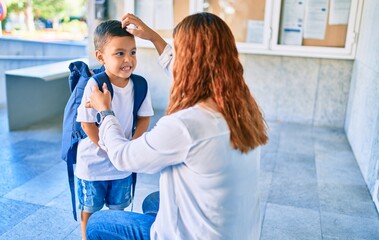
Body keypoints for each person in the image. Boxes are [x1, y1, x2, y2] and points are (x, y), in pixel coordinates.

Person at [85, 12, 268, 240]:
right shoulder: (242, 108)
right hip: (239, 232)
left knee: (99, 223)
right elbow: (182, 70)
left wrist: (105, 112)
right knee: (154, 201)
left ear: (188, 61)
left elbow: (123, 157)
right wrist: (153, 37)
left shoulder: (187, 125)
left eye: (178, 50)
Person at [75, 19, 154, 240]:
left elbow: (144, 118)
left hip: (122, 167)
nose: (128, 60)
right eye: (119, 53)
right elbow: (86, 123)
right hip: (93, 164)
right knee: (90, 208)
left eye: (133, 52)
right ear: (101, 57)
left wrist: (131, 146)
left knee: (119, 209)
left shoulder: (140, 84)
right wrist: (106, 146)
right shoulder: (96, 85)